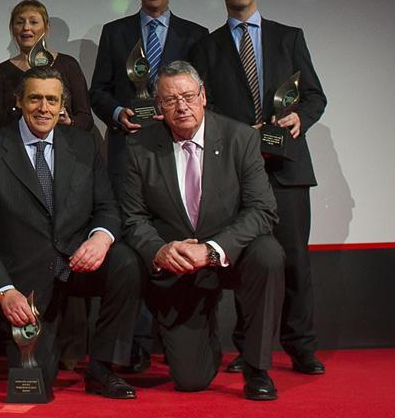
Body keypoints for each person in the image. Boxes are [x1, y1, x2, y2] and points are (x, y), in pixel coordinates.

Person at [0, 66, 143, 399]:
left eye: (52, 100)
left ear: (62, 106)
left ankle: (102, 367)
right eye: (35, 99)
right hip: (23, 277)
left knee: (126, 262)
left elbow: (107, 207)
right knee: (35, 386)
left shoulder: (83, 144)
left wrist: (100, 238)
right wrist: (4, 290)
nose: (44, 108)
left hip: (78, 262)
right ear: (19, 102)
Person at [189, 0, 327, 377]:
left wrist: (299, 117)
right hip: (236, 170)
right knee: (249, 259)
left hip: (287, 166)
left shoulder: (289, 37)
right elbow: (201, 109)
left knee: (294, 260)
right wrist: (236, 131)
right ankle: (249, 349)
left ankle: (300, 346)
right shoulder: (206, 47)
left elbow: (315, 96)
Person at [121, 61, 284, 400]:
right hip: (178, 265)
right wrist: (160, 251)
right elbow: (134, 219)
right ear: (159, 107)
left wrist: (212, 249)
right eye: (170, 100)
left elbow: (263, 210)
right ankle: (202, 329)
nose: (181, 107)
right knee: (190, 381)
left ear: (203, 96)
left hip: (231, 253)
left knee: (269, 252)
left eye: (188, 96)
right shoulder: (140, 148)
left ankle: (257, 368)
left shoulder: (240, 138)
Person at [89, 0, 207, 372]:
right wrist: (118, 111)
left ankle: (181, 337)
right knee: (135, 247)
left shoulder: (196, 35)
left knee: (178, 238)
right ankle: (135, 343)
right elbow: (97, 91)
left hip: (182, 154)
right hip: (131, 151)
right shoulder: (115, 32)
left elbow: (202, 96)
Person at [0, 0, 92, 132]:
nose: (26, 27)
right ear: (12, 28)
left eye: (34, 22)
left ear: (46, 28)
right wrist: (21, 108)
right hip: (16, 148)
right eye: (19, 22)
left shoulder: (68, 64)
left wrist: (69, 121)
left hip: (64, 146)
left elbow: (86, 119)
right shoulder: (0, 72)